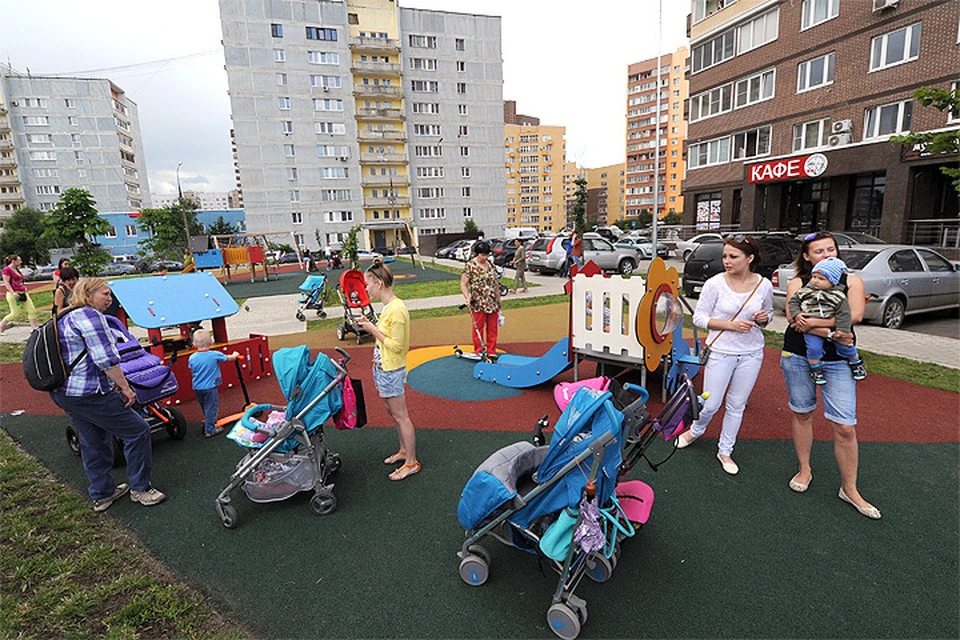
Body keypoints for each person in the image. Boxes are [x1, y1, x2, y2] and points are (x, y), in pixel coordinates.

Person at [782, 231, 880, 519]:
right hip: (799, 355)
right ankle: (804, 469)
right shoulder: (799, 282)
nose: (826, 255)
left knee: (846, 426)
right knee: (802, 412)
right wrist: (829, 329)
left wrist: (813, 323)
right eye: (819, 251)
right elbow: (792, 319)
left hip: (838, 360)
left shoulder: (852, 281)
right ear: (807, 257)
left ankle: (849, 488)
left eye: (830, 249)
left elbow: (856, 315)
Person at [49, 277, 166, 511]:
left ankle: (102, 494)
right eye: (105, 294)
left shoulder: (66, 316)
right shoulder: (90, 316)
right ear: (88, 295)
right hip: (90, 393)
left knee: (93, 439)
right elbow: (105, 359)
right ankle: (140, 489)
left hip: (66, 392)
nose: (110, 299)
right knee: (137, 431)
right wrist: (125, 387)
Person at [674, 235, 773, 475]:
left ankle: (725, 450)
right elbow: (699, 318)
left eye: (733, 256)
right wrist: (730, 326)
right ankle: (695, 430)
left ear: (749, 259)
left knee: (737, 404)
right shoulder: (715, 284)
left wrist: (764, 318)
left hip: (751, 353)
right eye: (725, 256)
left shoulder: (764, 285)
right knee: (710, 403)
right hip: (721, 351)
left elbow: (769, 314)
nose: (727, 261)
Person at [355, 259, 420, 481]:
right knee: (393, 413)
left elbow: (397, 346)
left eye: (367, 284)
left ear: (379, 283)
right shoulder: (388, 308)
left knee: (401, 416)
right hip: (382, 367)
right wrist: (371, 325)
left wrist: (372, 329)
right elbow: (387, 337)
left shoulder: (397, 309)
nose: (366, 289)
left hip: (391, 369)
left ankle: (411, 462)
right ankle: (404, 451)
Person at [787, 256, 866, 384]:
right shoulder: (805, 291)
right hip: (810, 326)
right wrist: (797, 314)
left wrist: (842, 330)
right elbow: (793, 302)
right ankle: (815, 369)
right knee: (813, 348)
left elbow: (845, 314)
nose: (815, 281)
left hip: (829, 326)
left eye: (821, 279)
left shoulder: (838, 296)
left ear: (832, 281)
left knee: (846, 345)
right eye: (814, 277)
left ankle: (855, 361)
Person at [188, 329, 241, 439]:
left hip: (197, 387)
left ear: (194, 344)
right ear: (211, 341)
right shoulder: (214, 354)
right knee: (211, 406)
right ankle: (210, 430)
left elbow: (192, 369)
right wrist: (235, 355)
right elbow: (228, 358)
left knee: (204, 405)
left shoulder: (192, 357)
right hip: (210, 386)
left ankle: (209, 420)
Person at [460, 240, 502, 358]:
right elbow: (463, 284)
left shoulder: (490, 264)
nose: (484, 257)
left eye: (486, 255)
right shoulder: (470, 266)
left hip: (492, 301)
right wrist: (467, 297)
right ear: (476, 254)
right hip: (478, 302)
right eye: (482, 255)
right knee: (478, 328)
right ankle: (479, 350)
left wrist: (498, 298)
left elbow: (495, 282)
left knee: (492, 328)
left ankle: (491, 351)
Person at [1, 255, 39, 335]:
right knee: (15, 312)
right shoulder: (7, 270)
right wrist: (13, 292)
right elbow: (6, 282)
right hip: (14, 294)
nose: (21, 262)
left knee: (31, 309)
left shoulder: (17, 269)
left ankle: (34, 328)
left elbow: (19, 281)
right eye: (19, 260)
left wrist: (24, 287)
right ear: (13, 261)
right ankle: (1, 327)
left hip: (23, 292)